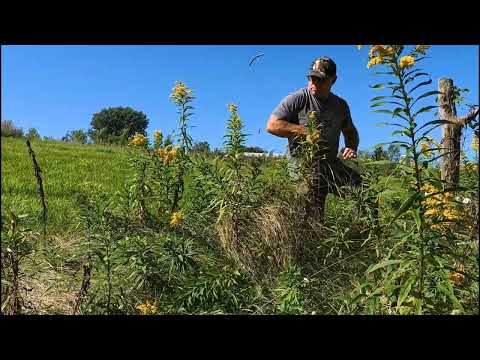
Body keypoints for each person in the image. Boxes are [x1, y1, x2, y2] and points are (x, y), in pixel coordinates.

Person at [266, 56, 362, 221]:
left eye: (320, 80)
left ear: (333, 80)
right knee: (314, 214)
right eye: (311, 78)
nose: (313, 84)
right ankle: (310, 238)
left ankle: (365, 234)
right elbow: (272, 125)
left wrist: (351, 147)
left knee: (362, 188)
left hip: (330, 165)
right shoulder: (298, 98)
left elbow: (350, 131)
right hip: (303, 167)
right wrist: (304, 131)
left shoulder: (340, 106)